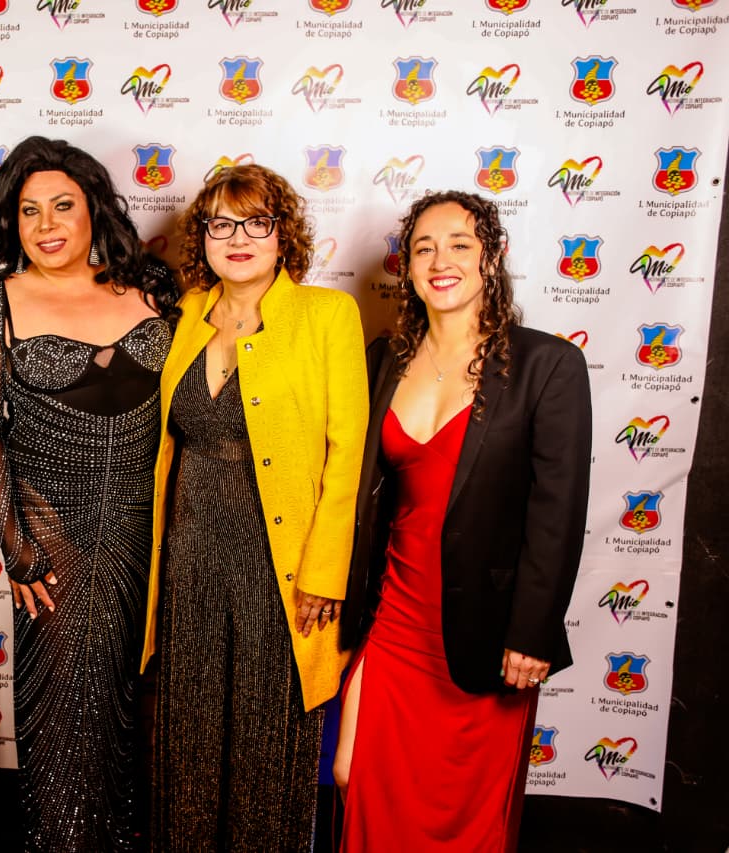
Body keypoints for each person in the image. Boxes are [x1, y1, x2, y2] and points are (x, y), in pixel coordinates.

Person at [333, 190, 591, 852]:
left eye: (460, 244)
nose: (439, 261)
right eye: (423, 248)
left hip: (488, 633)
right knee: (356, 778)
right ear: (408, 266)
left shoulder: (546, 365)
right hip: (394, 618)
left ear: (492, 257)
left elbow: (558, 512)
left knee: (462, 818)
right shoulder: (383, 359)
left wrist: (532, 633)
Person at [0, 135, 179, 851]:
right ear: (11, 221)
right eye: (29, 211)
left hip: (145, 534)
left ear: (94, 210)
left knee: (125, 707)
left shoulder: (153, 287)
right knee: (59, 712)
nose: (46, 224)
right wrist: (17, 550)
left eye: (62, 205)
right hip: (52, 539)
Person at [140, 164, 368, 851]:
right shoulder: (183, 315)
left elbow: (348, 453)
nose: (238, 238)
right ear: (202, 237)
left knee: (269, 742)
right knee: (188, 736)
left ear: (282, 233)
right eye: (221, 224)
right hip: (188, 560)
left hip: (284, 567)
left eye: (256, 222)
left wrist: (325, 572)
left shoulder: (327, 315)